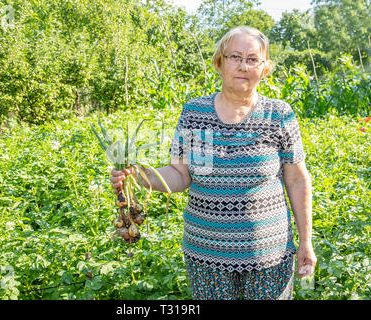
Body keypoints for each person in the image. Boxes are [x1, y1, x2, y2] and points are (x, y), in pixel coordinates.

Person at [110, 26, 317, 300]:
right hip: (207, 254)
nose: (243, 65)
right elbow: (180, 175)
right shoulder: (195, 113)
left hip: (270, 255)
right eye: (235, 56)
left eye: (253, 59)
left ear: (264, 68)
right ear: (219, 63)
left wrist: (306, 242)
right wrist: (139, 175)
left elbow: (296, 179)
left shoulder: (278, 115)